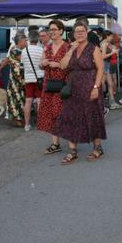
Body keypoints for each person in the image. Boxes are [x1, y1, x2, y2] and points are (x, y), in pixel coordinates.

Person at [53, 21, 107, 164]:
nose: (80, 34)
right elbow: (62, 66)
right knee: (72, 117)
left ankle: (98, 148)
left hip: (90, 87)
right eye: (77, 32)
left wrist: (96, 87)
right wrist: (71, 50)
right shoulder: (70, 48)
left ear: (87, 32)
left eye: (82, 31)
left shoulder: (93, 48)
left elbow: (101, 69)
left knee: (93, 116)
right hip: (73, 88)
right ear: (73, 34)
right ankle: (73, 151)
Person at [38, 20, 71, 153]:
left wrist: (58, 65)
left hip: (64, 84)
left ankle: (71, 142)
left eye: (54, 29)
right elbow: (40, 64)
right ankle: (55, 144)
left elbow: (73, 65)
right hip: (49, 84)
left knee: (64, 113)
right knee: (52, 113)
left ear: (61, 31)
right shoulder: (47, 47)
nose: (52, 32)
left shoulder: (68, 47)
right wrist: (43, 63)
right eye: (50, 30)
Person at [0, 33, 27, 127]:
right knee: (16, 98)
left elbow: (7, 60)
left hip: (18, 78)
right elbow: (24, 61)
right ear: (20, 41)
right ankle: (17, 119)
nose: (26, 42)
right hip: (16, 79)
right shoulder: (16, 50)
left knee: (18, 98)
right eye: (25, 40)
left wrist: (0, 68)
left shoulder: (18, 49)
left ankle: (18, 119)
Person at [22, 30, 44, 132]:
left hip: (28, 79)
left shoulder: (24, 51)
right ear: (38, 38)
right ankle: (40, 123)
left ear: (29, 39)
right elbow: (42, 65)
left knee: (28, 101)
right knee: (40, 101)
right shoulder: (41, 50)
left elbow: (23, 65)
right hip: (39, 78)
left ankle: (27, 124)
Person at [101, 30, 121, 109]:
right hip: (103, 65)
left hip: (107, 64)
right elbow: (103, 56)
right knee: (102, 84)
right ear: (107, 36)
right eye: (111, 36)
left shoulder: (107, 44)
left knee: (110, 84)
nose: (112, 38)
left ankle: (112, 102)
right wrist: (113, 53)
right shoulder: (104, 44)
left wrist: (114, 51)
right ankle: (101, 102)